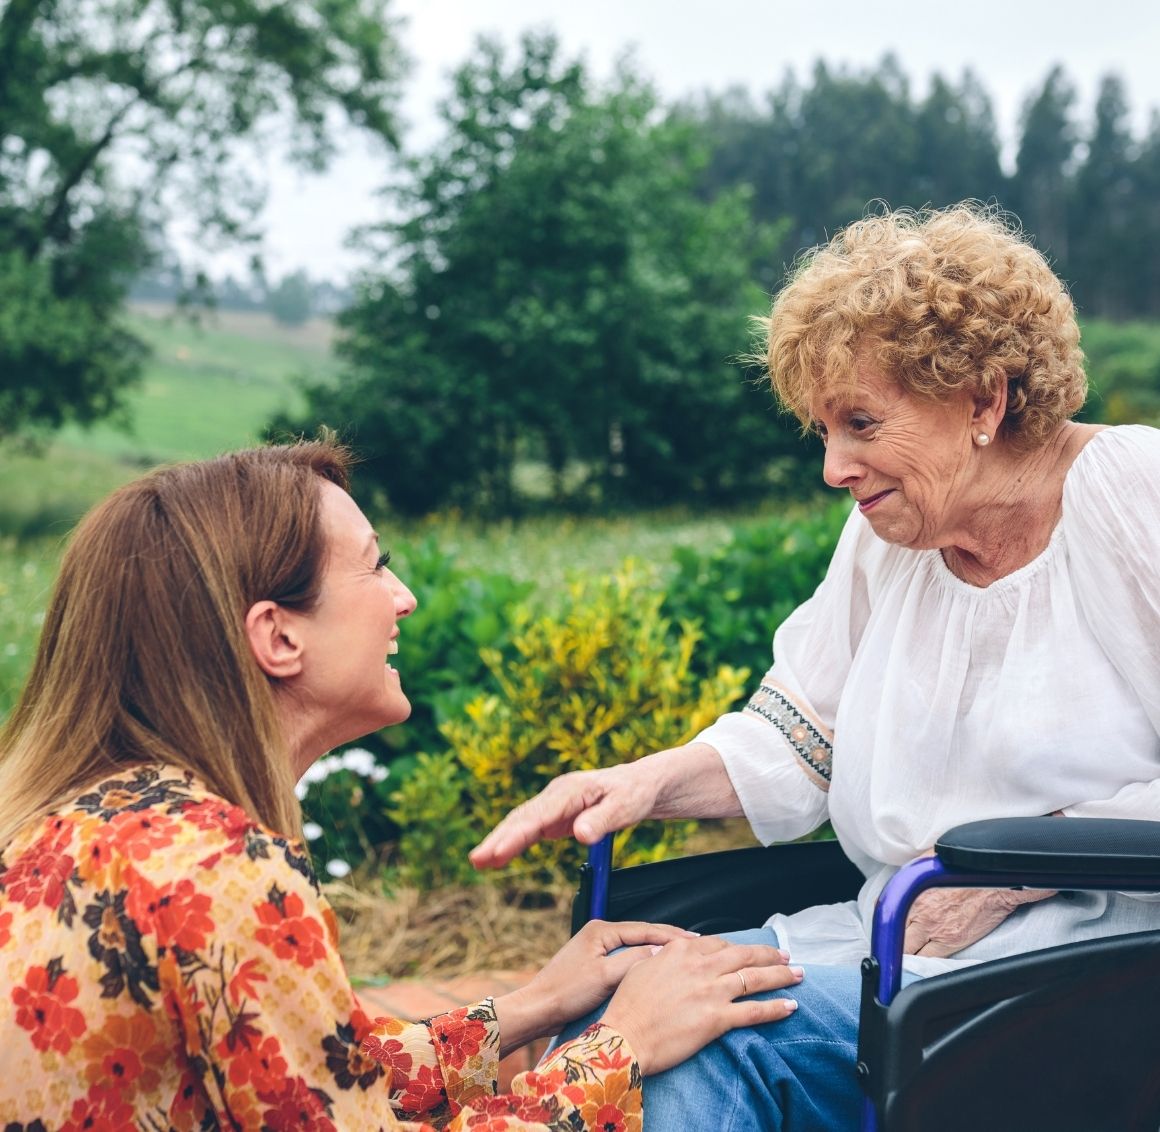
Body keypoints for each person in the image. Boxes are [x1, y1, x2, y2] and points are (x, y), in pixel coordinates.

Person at [470, 202, 1160, 1130]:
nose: (835, 467)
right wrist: (637, 784)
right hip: (893, 940)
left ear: (984, 400)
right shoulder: (892, 533)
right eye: (823, 431)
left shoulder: (1133, 496)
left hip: (1094, 967)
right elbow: (802, 737)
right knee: (621, 1016)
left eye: (862, 424)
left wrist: (996, 882)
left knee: (708, 1042)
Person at [0, 440, 803, 1130]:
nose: (405, 599)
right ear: (277, 636)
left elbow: (308, 1080)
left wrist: (532, 1006)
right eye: (376, 566)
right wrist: (620, 1046)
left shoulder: (83, 822)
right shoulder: (222, 875)